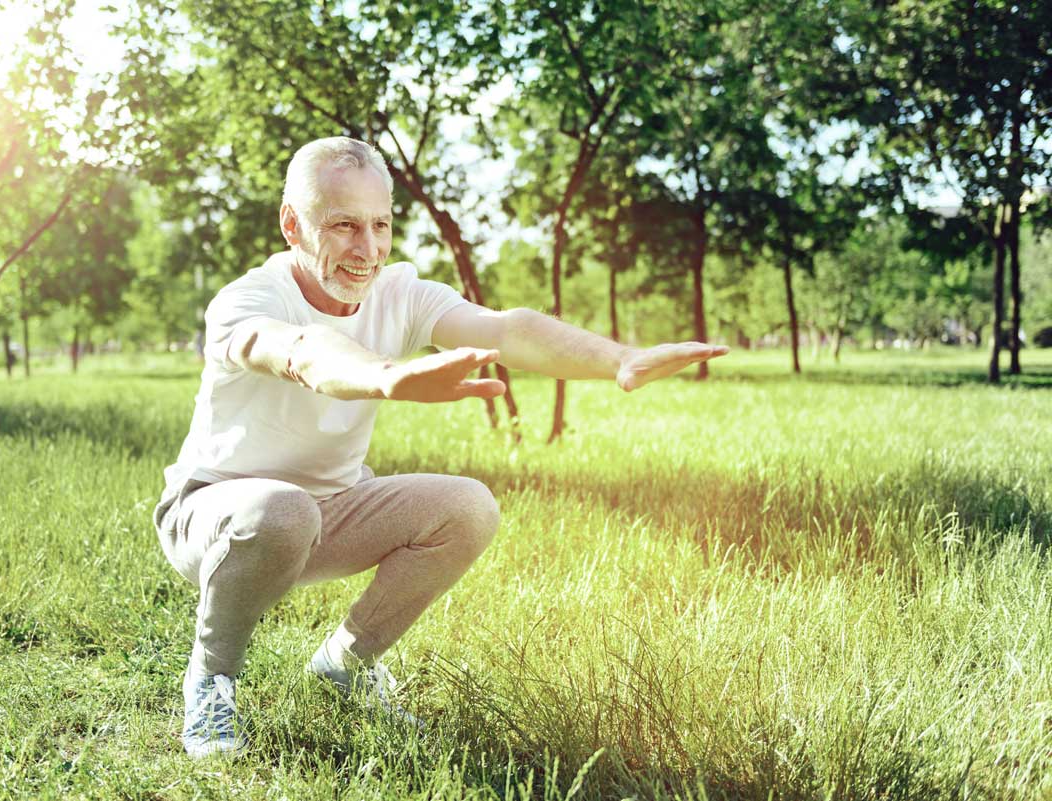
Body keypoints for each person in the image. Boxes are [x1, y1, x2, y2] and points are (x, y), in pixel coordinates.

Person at [153, 136, 728, 758]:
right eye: (343, 226)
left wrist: (621, 359)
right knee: (282, 510)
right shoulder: (248, 300)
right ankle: (211, 679)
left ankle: (345, 663)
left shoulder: (399, 292)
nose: (366, 249)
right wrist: (387, 376)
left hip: (333, 509)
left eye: (380, 225)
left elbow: (509, 329)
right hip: (215, 516)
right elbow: (300, 352)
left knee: (468, 505)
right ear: (293, 225)